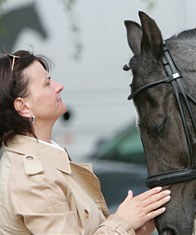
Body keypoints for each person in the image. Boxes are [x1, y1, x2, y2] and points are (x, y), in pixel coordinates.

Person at [0, 50, 171, 235]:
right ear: (23, 107)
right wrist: (123, 221)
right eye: (47, 83)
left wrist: (136, 229)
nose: (59, 86)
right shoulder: (34, 180)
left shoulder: (47, 160)